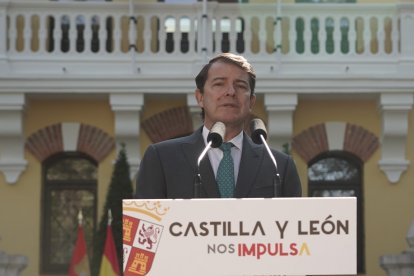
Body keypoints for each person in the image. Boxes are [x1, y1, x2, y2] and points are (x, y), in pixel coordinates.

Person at [135, 53, 301, 199]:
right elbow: (146, 228)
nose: (230, 92)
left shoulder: (279, 166)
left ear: (251, 102)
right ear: (200, 97)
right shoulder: (162, 159)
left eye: (240, 86)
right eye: (219, 84)